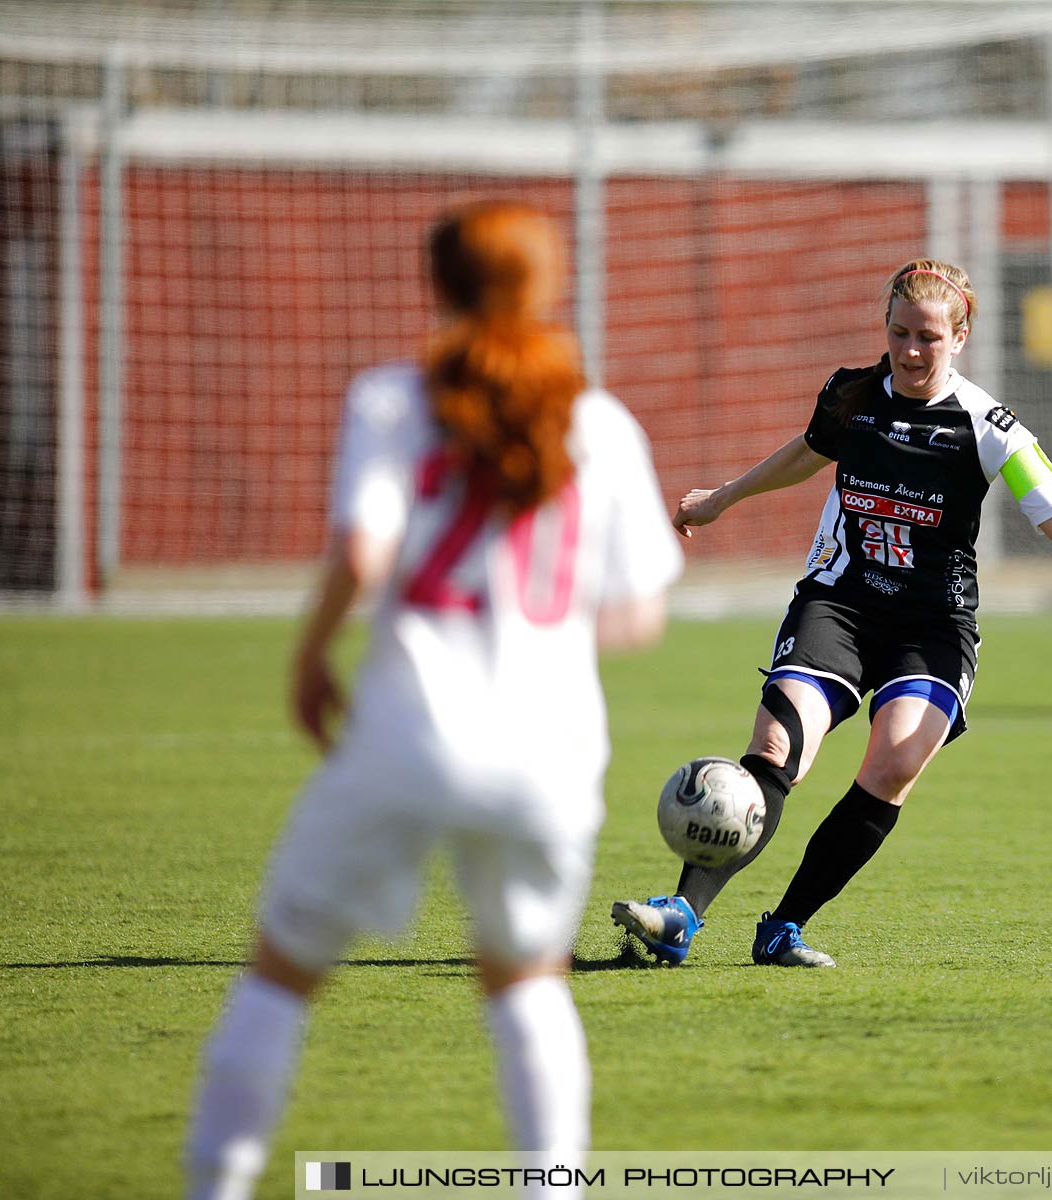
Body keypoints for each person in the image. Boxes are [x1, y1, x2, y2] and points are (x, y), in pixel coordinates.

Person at [183, 201, 682, 1200]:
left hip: (409, 734)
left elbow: (362, 553)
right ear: (546, 286)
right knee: (530, 984)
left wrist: (312, 656)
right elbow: (637, 617)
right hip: (547, 753)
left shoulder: (391, 400)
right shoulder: (601, 422)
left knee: (281, 976)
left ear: (438, 283)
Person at [611, 258, 1052, 969]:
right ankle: (681, 914)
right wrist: (724, 498)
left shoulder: (989, 425)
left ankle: (783, 926)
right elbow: (806, 454)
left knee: (894, 764)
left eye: (929, 338)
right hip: (839, 604)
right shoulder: (850, 395)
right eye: (899, 332)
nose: (910, 351)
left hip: (932, 629)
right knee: (780, 748)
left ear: (961, 337)